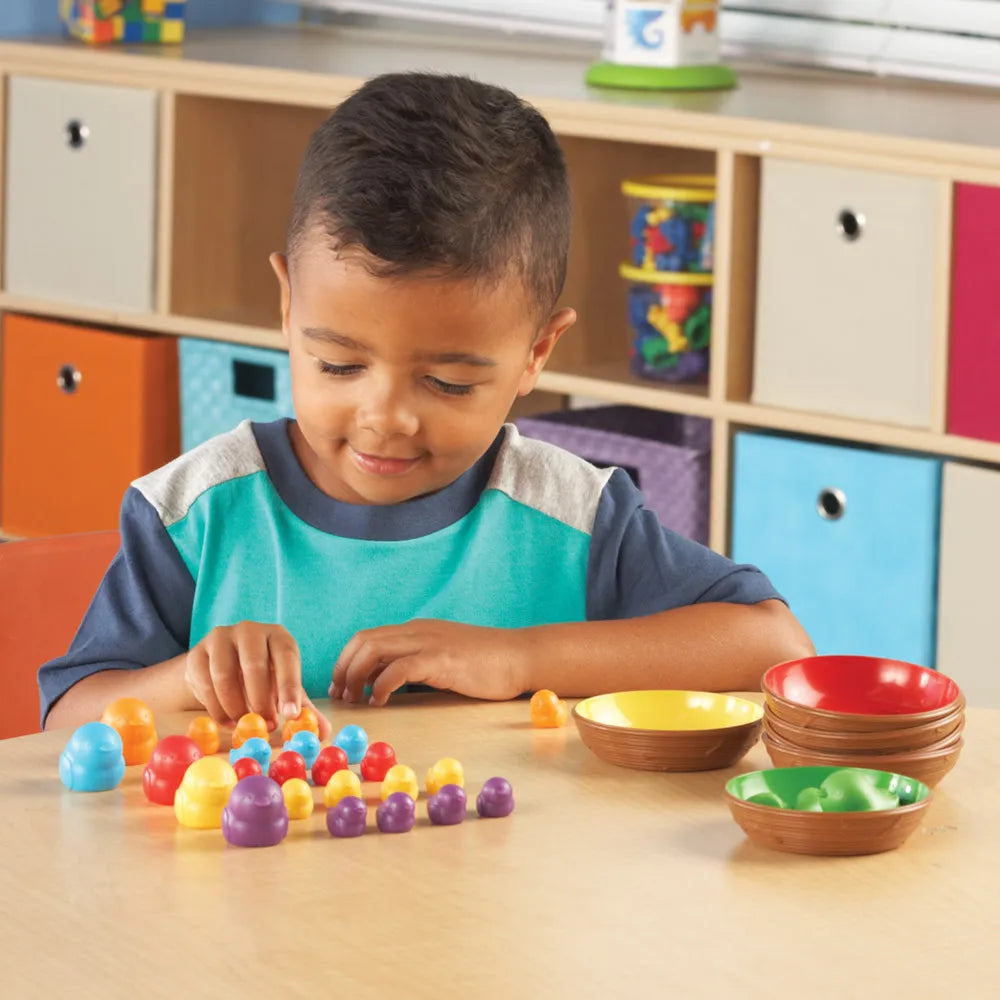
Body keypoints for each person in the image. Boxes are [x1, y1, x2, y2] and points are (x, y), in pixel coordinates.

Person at [40, 72, 813, 737]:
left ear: (536, 354)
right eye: (338, 363)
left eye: (447, 382)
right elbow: (67, 716)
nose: (386, 417)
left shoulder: (570, 517)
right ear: (287, 307)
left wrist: (519, 658)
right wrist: (185, 681)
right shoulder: (197, 514)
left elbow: (775, 646)